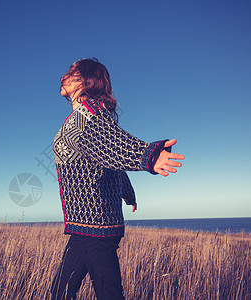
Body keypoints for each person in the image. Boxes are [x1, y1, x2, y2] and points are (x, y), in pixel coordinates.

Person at [50, 58, 185, 300]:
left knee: (109, 294)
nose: (63, 78)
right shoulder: (90, 113)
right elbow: (106, 157)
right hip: (87, 227)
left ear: (86, 80)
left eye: (71, 73)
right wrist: (127, 191)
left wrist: (148, 156)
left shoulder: (88, 116)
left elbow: (113, 143)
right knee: (60, 291)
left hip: (96, 228)